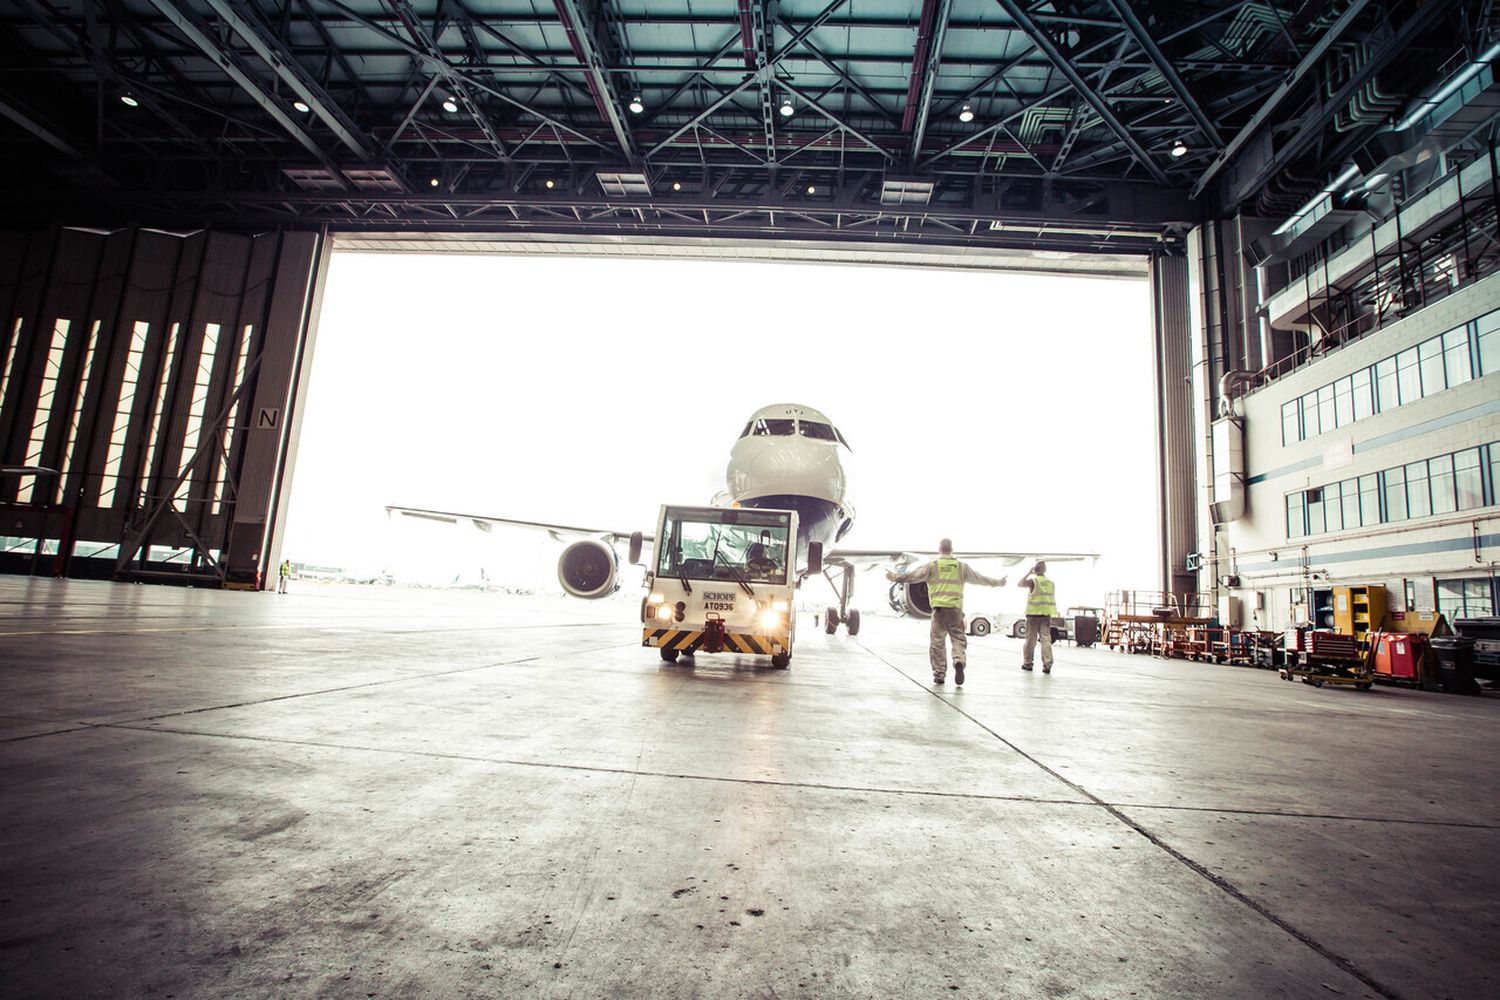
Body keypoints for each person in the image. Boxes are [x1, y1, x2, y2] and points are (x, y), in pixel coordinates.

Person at [886, 539, 1006, 686]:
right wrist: (998, 582)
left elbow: (912, 577)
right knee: (958, 640)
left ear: (939, 549)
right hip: (955, 611)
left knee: (937, 644)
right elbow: (981, 579)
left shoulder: (932, 566)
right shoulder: (961, 567)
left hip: (938, 611)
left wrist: (895, 577)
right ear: (952, 549)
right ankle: (959, 661)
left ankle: (939, 674)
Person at [1018, 561, 1057, 673]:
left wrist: (1028, 573)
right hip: (1046, 615)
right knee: (1046, 640)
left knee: (1031, 640)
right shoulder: (1050, 583)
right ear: (1045, 570)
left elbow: (1019, 584)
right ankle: (1047, 665)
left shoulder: (1033, 581)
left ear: (1035, 570)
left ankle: (1028, 663)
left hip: (1033, 615)